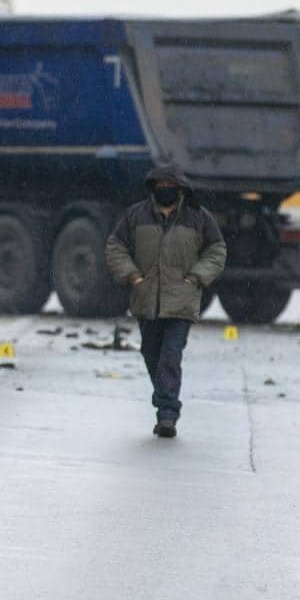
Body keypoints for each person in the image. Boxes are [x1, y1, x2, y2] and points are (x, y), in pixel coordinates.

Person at [104, 165, 227, 438]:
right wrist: (132, 275)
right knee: (152, 354)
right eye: (159, 185)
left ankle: (167, 414)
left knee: (170, 356)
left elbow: (216, 250)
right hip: (145, 300)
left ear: (180, 189)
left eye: (169, 185)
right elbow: (115, 246)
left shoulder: (198, 217)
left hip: (181, 302)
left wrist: (196, 278)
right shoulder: (136, 215)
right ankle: (164, 396)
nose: (165, 189)